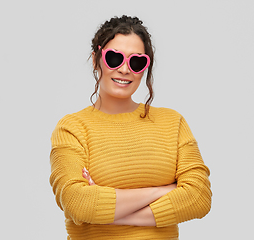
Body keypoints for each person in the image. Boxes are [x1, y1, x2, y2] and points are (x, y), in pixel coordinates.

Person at [49, 15, 212, 240]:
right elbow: (78, 203)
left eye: (136, 62)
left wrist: (113, 212)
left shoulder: (172, 123)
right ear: (97, 59)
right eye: (114, 58)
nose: (125, 69)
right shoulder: (72, 128)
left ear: (145, 67)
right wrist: (163, 190)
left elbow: (199, 198)